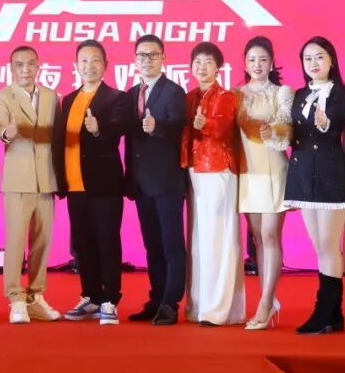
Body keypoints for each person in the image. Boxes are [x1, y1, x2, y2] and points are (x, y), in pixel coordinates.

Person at [283, 37, 345, 335]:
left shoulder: (341, 92)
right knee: (320, 247)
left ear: (331, 60)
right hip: (302, 174)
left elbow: (336, 126)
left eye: (319, 57)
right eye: (308, 58)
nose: (313, 63)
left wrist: (325, 122)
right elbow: (293, 131)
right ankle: (334, 314)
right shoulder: (299, 94)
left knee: (328, 245)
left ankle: (323, 311)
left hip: (330, 173)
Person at [54, 39, 130, 326]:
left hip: (104, 185)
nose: (89, 66)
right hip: (75, 185)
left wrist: (99, 129)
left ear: (105, 65)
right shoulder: (68, 100)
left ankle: (110, 300)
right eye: (84, 61)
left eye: (95, 60)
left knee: (107, 241)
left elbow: (120, 128)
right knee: (83, 245)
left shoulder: (116, 98)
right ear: (76, 65)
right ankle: (91, 296)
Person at [0, 45, 62, 324]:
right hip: (18, 180)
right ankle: (15, 298)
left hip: (45, 178)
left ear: (38, 66)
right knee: (15, 241)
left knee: (42, 241)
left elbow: (56, 135)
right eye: (19, 65)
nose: (25, 70)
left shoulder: (51, 96)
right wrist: (6, 132)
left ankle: (35, 296)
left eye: (31, 64)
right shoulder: (2, 96)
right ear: (11, 69)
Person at [124, 35, 187, 326]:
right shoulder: (131, 94)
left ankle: (170, 303)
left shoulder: (174, 91)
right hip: (141, 182)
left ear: (163, 58)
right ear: (135, 60)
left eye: (152, 55)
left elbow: (179, 128)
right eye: (142, 55)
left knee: (171, 245)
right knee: (152, 245)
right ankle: (155, 298)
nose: (146, 60)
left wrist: (157, 126)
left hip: (167, 181)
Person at [181, 42, 245, 325]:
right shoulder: (189, 96)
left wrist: (203, 124)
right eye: (197, 62)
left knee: (218, 238)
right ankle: (198, 305)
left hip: (219, 169)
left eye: (208, 61)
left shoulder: (226, 96)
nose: (202, 67)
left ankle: (219, 309)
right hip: (194, 171)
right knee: (198, 241)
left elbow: (220, 129)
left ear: (219, 67)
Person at [234, 36, 293, 330]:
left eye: (263, 59)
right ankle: (266, 299)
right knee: (257, 238)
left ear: (271, 63)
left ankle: (266, 302)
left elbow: (288, 129)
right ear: (245, 64)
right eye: (251, 60)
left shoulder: (282, 93)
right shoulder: (236, 95)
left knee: (270, 236)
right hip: (247, 173)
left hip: (273, 170)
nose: (257, 65)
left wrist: (275, 130)